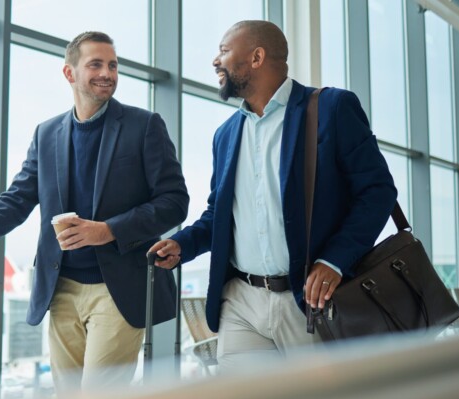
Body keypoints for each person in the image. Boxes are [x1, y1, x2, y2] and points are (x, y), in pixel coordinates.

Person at [0, 31, 188, 393]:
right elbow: (17, 199)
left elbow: (174, 202)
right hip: (60, 287)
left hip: (118, 288)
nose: (107, 73)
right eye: (95, 64)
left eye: (112, 65)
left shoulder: (144, 126)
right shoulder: (47, 133)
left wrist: (108, 230)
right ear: (69, 73)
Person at [148, 20, 397, 371]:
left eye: (223, 51)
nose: (215, 61)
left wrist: (334, 261)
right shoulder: (226, 134)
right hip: (241, 302)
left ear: (256, 56)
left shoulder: (331, 108)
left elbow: (377, 191)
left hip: (309, 301)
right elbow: (219, 213)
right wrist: (183, 245)